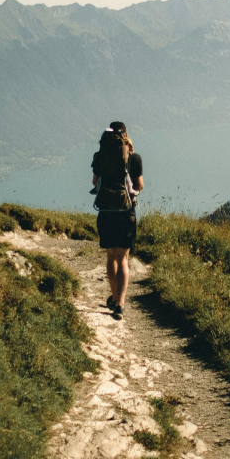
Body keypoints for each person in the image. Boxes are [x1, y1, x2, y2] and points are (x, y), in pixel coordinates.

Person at [91, 120, 143, 320]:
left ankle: (113, 297)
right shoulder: (134, 158)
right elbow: (139, 186)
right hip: (125, 212)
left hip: (105, 212)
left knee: (111, 256)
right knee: (123, 258)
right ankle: (120, 304)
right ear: (125, 136)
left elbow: (95, 182)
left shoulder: (99, 156)